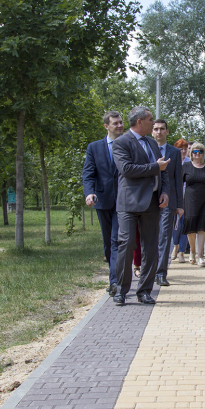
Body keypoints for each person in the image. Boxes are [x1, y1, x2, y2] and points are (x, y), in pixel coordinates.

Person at [111, 106, 170, 306]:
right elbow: (127, 169)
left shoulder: (152, 143)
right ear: (139, 122)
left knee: (151, 247)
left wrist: (164, 191)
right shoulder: (121, 142)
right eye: (150, 119)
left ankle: (144, 291)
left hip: (152, 202)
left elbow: (163, 170)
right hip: (129, 203)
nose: (153, 123)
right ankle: (121, 290)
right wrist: (155, 167)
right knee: (126, 244)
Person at [82, 111, 123, 297]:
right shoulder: (94, 147)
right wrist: (89, 193)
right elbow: (88, 173)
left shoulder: (128, 144)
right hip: (102, 199)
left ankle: (115, 281)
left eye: (121, 122)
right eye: (115, 123)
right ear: (107, 126)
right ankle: (113, 275)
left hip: (123, 201)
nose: (120, 126)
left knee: (116, 240)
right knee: (108, 242)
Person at [152, 119, 184, 286]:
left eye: (162, 129)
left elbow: (178, 179)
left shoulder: (174, 152)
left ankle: (161, 273)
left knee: (164, 236)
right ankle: (148, 271)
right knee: (150, 237)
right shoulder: (146, 148)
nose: (159, 132)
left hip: (168, 201)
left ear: (167, 131)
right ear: (152, 131)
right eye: (156, 129)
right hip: (148, 200)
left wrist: (180, 205)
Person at [182, 142, 205, 267]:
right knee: (190, 223)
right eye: (195, 151)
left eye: (200, 151)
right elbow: (179, 184)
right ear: (191, 153)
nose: (197, 154)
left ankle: (200, 256)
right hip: (190, 199)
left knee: (202, 226)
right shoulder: (186, 166)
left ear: (203, 153)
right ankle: (192, 251)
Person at [171, 138, 190, 262]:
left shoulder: (189, 162)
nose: (183, 151)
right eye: (180, 149)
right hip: (175, 197)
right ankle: (175, 246)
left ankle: (182, 251)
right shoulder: (172, 160)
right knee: (176, 225)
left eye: (185, 149)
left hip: (187, 197)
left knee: (185, 225)